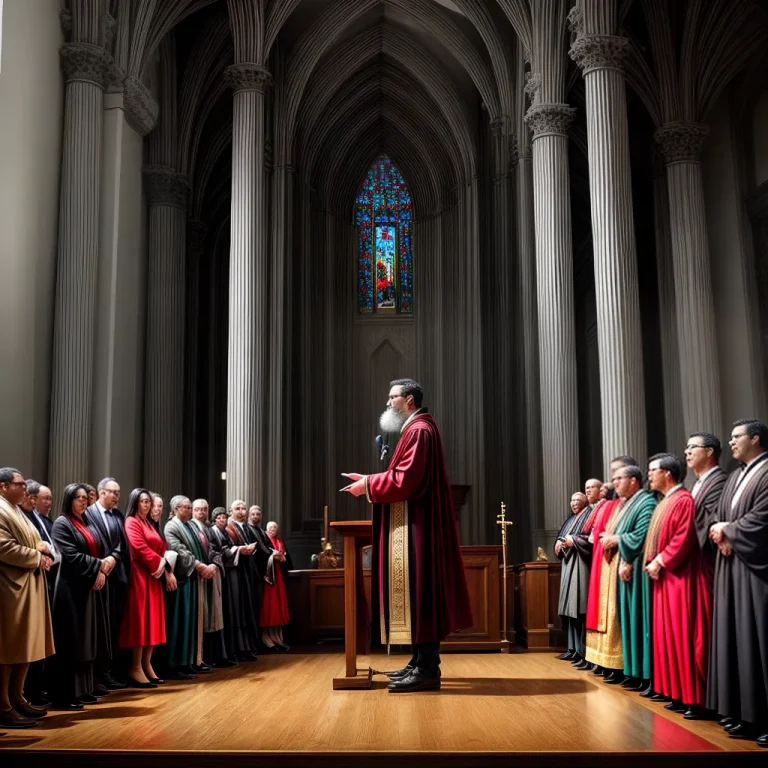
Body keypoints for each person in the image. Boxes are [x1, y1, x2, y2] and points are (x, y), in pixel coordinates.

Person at [342, 378, 472, 692]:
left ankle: (427, 669)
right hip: (416, 524)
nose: (388, 403)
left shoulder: (419, 431)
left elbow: (407, 479)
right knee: (416, 594)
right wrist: (371, 478)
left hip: (419, 529)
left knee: (420, 592)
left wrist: (368, 486)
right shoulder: (417, 429)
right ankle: (419, 662)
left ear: (409, 400)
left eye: (393, 397)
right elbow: (400, 476)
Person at [707, 419, 768, 748]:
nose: (731, 442)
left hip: (755, 571)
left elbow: (763, 516)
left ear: (755, 438)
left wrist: (731, 531)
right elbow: (717, 514)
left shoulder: (766, 471)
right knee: (736, 638)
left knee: (758, 639)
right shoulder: (735, 476)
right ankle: (745, 713)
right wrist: (720, 530)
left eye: (737, 437)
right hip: (730, 565)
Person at [644, 454, 711, 720]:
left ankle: (694, 698)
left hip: (682, 579)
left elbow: (684, 537)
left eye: (653, 470)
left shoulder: (683, 500)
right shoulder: (666, 502)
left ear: (668, 474)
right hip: (667, 580)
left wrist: (660, 560)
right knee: (668, 638)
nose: (649, 475)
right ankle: (677, 692)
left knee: (683, 636)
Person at [0, 467, 54, 728]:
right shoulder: (0, 509)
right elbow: (4, 547)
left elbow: (34, 539)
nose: (25, 488)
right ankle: (3, 705)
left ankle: (18, 697)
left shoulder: (17, 510)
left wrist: (41, 548)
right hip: (10, 589)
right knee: (8, 648)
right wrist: (37, 555)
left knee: (25, 646)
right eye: (20, 484)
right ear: (3, 486)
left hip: (27, 586)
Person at [48, 484, 107, 709]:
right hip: (69, 589)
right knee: (71, 641)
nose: (83, 501)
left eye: (85, 498)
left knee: (86, 640)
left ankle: (83, 690)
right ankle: (64, 694)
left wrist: (99, 570)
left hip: (87, 587)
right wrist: (99, 567)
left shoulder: (86, 522)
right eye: (78, 498)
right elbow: (71, 556)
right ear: (68, 500)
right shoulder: (62, 523)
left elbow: (97, 551)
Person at [583, 456, 636, 680]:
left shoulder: (624, 503)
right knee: (603, 609)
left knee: (613, 611)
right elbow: (590, 529)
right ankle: (603, 659)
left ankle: (617, 663)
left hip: (618, 557)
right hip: (604, 556)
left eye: (617, 475)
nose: (611, 481)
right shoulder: (610, 504)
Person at [120, 488, 177, 688]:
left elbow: (161, 546)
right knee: (140, 621)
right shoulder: (132, 522)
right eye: (143, 501)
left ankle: (146, 663)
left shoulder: (149, 523)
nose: (147, 505)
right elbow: (139, 547)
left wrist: (165, 566)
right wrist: (160, 563)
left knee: (153, 620)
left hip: (153, 576)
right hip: (140, 576)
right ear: (135, 502)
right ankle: (135, 667)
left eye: (148, 502)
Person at [609, 465, 656, 691]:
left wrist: (618, 543)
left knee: (638, 619)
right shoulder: (629, 503)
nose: (615, 483)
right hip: (626, 566)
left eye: (619, 478)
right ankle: (633, 670)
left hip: (637, 568)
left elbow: (642, 534)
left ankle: (645, 674)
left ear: (635, 480)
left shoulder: (646, 501)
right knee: (628, 620)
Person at [164, 496, 216, 678]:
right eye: (186, 507)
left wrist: (207, 565)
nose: (189, 510)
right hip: (182, 579)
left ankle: (189, 661)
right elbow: (179, 550)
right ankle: (175, 663)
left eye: (189, 507)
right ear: (177, 508)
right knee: (181, 622)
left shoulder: (188, 525)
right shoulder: (172, 526)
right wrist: (199, 566)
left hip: (193, 578)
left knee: (192, 622)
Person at [86, 477, 128, 690]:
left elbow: (122, 543)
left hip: (116, 577)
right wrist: (99, 564)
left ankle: (108, 671)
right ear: (102, 493)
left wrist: (113, 558)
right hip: (95, 577)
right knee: (97, 628)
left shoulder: (118, 515)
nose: (117, 496)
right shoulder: (87, 514)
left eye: (118, 492)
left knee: (113, 626)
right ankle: (96, 675)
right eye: (113, 492)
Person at [566, 478, 608, 671]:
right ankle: (581, 652)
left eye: (593, 488)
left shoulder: (597, 509)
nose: (590, 491)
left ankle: (588, 655)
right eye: (587, 488)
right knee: (576, 611)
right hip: (585, 562)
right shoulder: (589, 512)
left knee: (585, 611)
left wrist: (573, 540)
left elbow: (589, 538)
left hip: (592, 563)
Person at [210, 506, 256, 662]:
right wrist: (238, 550)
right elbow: (219, 551)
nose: (222, 520)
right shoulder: (217, 531)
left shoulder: (225, 532)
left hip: (235, 572)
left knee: (239, 609)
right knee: (232, 610)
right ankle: (234, 649)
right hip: (228, 574)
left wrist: (239, 549)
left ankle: (242, 647)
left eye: (224, 517)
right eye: (219, 517)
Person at [685, 432, 727, 576]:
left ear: (709, 451)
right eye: (687, 447)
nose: (687, 451)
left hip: (708, 559)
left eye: (693, 447)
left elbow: (709, 519)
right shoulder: (695, 483)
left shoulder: (720, 481)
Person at [554, 491, 588, 663]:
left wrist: (573, 540)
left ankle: (580, 650)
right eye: (572, 500)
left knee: (578, 608)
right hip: (568, 565)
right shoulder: (570, 520)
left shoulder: (589, 515)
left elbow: (589, 538)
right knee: (569, 610)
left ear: (585, 502)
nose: (574, 503)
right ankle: (572, 648)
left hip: (580, 565)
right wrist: (559, 543)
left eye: (577, 500)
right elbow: (562, 536)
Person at [226, 500, 261, 660]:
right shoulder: (228, 528)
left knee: (247, 609)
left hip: (246, 571)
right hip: (235, 572)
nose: (241, 511)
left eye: (243, 508)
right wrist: (241, 549)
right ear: (230, 511)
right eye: (237, 509)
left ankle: (248, 646)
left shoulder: (246, 527)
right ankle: (238, 648)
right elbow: (224, 548)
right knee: (237, 609)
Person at [260, 521, 292, 650]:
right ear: (266, 530)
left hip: (279, 576)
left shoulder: (279, 542)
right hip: (269, 579)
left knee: (279, 606)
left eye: (274, 528)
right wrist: (275, 556)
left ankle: (277, 637)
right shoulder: (264, 541)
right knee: (269, 607)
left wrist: (282, 558)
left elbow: (285, 558)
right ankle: (267, 637)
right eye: (270, 528)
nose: (272, 530)